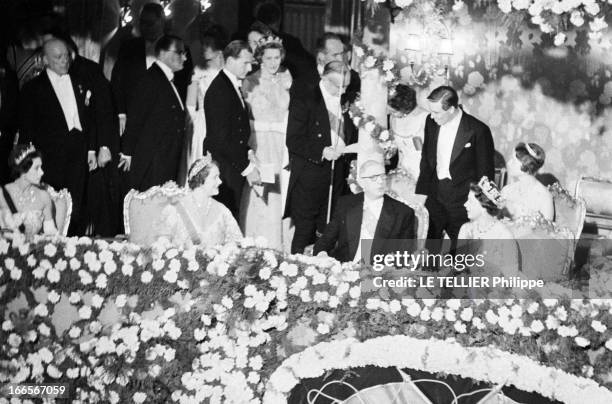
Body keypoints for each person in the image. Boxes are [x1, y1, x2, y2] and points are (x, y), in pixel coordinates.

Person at [19, 38, 96, 236]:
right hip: (49, 160)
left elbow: (90, 119)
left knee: (77, 208)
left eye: (66, 55)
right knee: (49, 210)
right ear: (45, 60)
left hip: (77, 158)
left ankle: (73, 250)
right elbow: (27, 130)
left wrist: (91, 149)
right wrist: (29, 163)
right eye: (58, 57)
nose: (64, 61)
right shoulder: (32, 89)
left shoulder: (80, 82)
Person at [285, 61, 351, 254]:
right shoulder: (305, 99)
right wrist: (321, 151)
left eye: (346, 86)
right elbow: (294, 140)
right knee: (305, 230)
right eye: (339, 86)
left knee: (328, 229)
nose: (343, 91)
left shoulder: (345, 101)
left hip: (336, 175)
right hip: (310, 176)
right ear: (324, 78)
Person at [415, 86, 495, 244]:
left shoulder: (478, 130)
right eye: (431, 111)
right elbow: (426, 160)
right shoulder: (430, 123)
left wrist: (478, 207)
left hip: (462, 201)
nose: (431, 116)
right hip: (435, 195)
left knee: (460, 255)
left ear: (451, 109)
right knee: (430, 250)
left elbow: (485, 175)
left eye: (436, 112)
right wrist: (421, 196)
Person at [239, 35, 292, 251]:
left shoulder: (287, 79)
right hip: (259, 142)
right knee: (261, 190)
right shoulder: (250, 81)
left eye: (277, 57)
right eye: (268, 58)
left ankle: (279, 245)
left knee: (281, 190)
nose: (273, 62)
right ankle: (255, 242)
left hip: (281, 143)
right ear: (260, 58)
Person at [118, 35, 187, 192]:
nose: (184, 57)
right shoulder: (150, 79)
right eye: (180, 52)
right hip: (154, 162)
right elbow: (136, 117)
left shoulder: (168, 80)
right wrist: (127, 152)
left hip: (166, 159)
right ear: (163, 53)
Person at [314, 160, 416, 263]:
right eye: (374, 178)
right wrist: (322, 253)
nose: (380, 181)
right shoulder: (346, 204)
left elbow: (404, 255)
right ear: (362, 182)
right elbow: (327, 238)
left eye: (383, 176)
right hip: (344, 269)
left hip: (379, 272)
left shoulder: (403, 213)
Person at [203, 40, 260, 218]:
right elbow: (221, 139)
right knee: (225, 215)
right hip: (225, 167)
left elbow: (235, 130)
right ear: (229, 61)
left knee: (231, 214)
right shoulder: (220, 89)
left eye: (251, 63)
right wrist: (247, 168)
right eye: (245, 62)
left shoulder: (230, 85)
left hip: (231, 162)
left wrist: (248, 151)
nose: (249, 68)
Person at [182, 25, 227, 181]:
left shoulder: (227, 72)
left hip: (223, 124)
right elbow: (189, 105)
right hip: (202, 125)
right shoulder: (198, 71)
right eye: (203, 44)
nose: (204, 48)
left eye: (209, 44)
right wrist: (193, 125)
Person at [172, 154, 243, 247]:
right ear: (201, 180)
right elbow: (161, 244)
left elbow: (238, 242)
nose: (220, 182)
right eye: (215, 177)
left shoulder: (223, 211)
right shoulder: (175, 209)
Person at [457, 178, 520, 278]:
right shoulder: (465, 229)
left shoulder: (504, 235)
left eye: (470, 201)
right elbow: (459, 267)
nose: (465, 204)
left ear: (484, 206)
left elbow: (511, 277)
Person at [0, 144, 57, 236]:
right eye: (36, 168)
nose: (42, 172)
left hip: (32, 250)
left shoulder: (44, 196)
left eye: (41, 167)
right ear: (23, 170)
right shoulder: (2, 194)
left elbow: (51, 236)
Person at [387, 84, 429, 206]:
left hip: (422, 173)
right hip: (401, 171)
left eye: (394, 111)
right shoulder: (392, 118)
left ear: (405, 107)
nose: (391, 113)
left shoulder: (425, 118)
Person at [501, 142, 554, 220]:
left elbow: (548, 231)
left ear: (527, 164)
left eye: (513, 160)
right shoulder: (507, 190)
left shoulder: (544, 196)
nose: (509, 163)